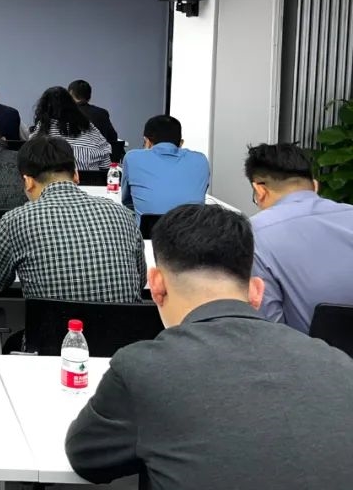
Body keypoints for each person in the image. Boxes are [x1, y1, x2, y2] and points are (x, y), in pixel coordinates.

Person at [65, 204, 353, 489]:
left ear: (156, 284)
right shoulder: (339, 364)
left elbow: (87, 457)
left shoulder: (142, 368)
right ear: (256, 292)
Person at [0, 135, 145, 302]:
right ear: (76, 174)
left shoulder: (16, 221)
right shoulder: (123, 215)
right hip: (125, 324)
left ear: (28, 181)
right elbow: (140, 280)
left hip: (52, 324)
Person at [246, 143, 353, 334]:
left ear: (260, 191)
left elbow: (268, 328)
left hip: (307, 351)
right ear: (315, 186)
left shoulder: (254, 233)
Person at [121, 115, 209, 218]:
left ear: (147, 141)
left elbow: (127, 201)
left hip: (149, 227)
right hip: (192, 226)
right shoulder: (201, 160)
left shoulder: (133, 158)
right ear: (181, 143)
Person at [31, 86, 111, 170]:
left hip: (50, 177)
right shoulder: (89, 127)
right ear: (72, 105)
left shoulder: (41, 130)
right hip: (91, 178)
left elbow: (29, 160)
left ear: (43, 108)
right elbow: (106, 167)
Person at [68, 79, 119, 146]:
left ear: (71, 93)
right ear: (89, 96)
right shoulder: (102, 113)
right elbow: (113, 137)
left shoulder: (63, 114)